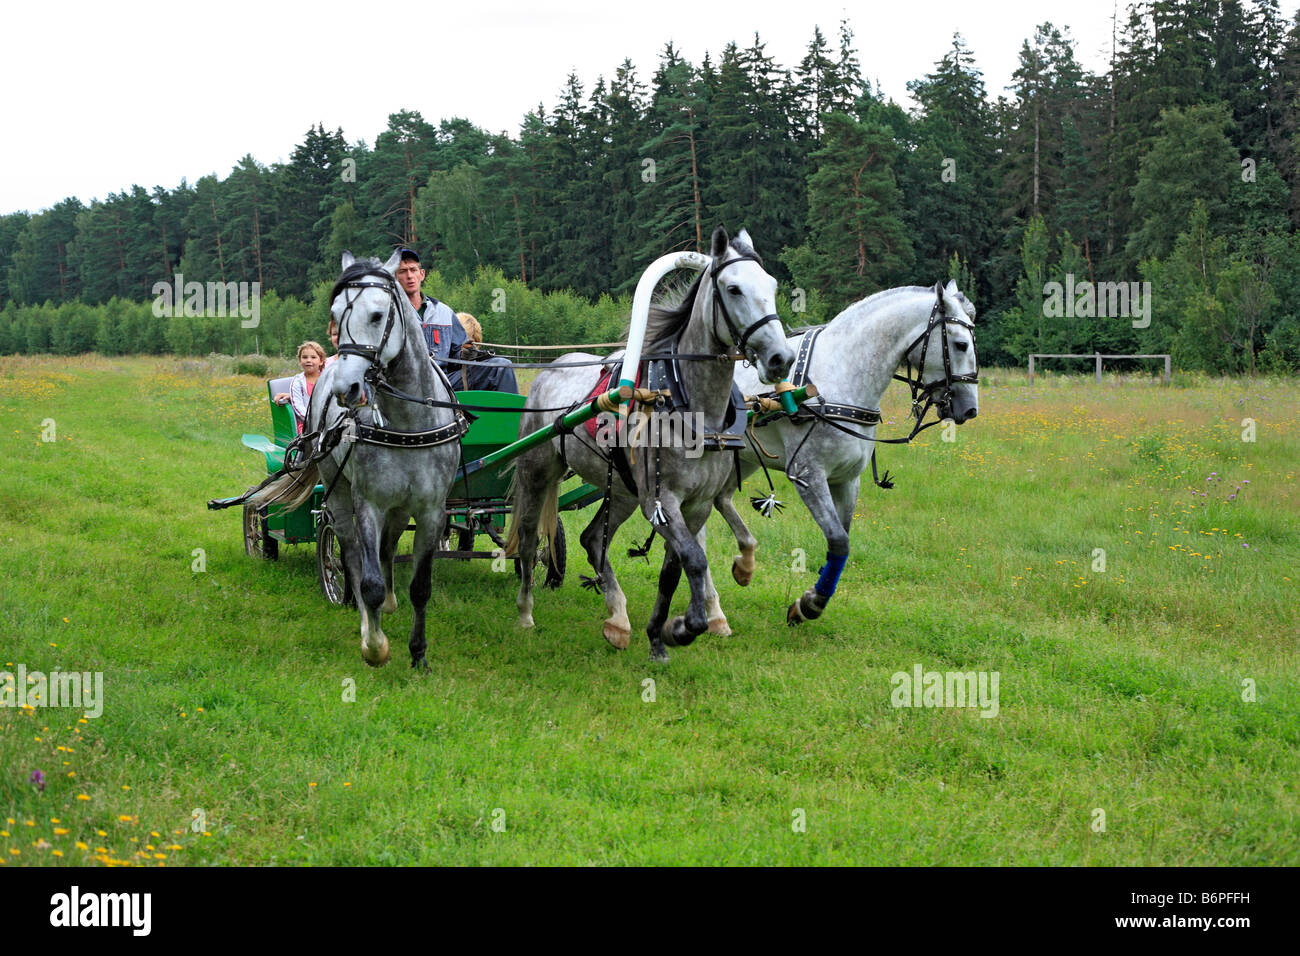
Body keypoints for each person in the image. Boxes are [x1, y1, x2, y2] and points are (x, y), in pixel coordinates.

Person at [393, 248, 516, 393]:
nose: (409, 276)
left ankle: (509, 417)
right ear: (395, 278)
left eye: (413, 270)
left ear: (422, 274)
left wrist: (470, 354)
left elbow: (456, 356)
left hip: (445, 383)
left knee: (501, 367)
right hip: (406, 388)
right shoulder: (390, 314)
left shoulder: (444, 312)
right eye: (403, 271)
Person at [273, 340, 327, 433]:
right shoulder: (297, 381)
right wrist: (315, 421)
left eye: (313, 357)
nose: (308, 360)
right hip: (307, 424)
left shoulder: (326, 379)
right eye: (305, 357)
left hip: (327, 422)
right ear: (300, 361)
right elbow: (298, 408)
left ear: (321, 361)